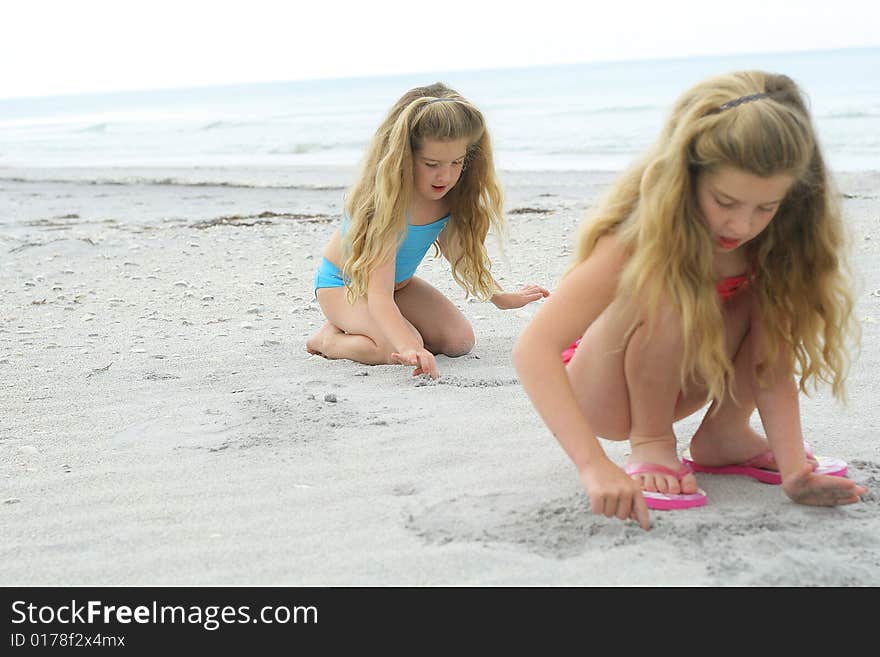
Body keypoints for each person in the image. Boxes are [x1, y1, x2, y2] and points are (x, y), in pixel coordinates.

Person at [512, 70, 867, 531]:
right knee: (671, 286)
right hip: (601, 388)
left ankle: (725, 435)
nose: (742, 225)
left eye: (765, 208)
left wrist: (795, 468)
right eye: (725, 201)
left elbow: (771, 361)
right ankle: (652, 441)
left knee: (772, 296)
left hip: (683, 380)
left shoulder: (767, 244)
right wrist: (594, 466)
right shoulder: (637, 236)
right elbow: (532, 350)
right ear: (689, 175)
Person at [307, 83, 549, 379]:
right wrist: (409, 345)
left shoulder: (449, 196)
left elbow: (458, 253)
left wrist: (500, 297)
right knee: (393, 351)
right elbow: (378, 294)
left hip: (400, 286)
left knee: (459, 342)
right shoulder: (386, 204)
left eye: (456, 162)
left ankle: (366, 327)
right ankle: (328, 340)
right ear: (405, 157)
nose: (445, 176)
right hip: (346, 286)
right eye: (431, 164)